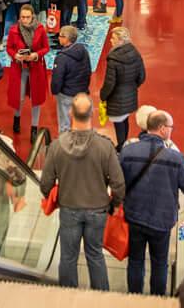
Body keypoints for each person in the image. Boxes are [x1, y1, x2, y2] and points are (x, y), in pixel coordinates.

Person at [40, 93, 126, 290]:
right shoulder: (105, 146)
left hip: (69, 208)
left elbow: (45, 182)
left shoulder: (56, 146)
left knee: (68, 257)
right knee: (95, 255)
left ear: (71, 112)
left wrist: (51, 197)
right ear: (92, 114)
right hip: (98, 210)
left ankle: (68, 297)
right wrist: (114, 205)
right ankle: (101, 297)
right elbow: (119, 184)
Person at [120, 110, 184, 296]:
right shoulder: (175, 157)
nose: (171, 131)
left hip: (134, 216)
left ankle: (134, 298)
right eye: (170, 127)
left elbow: (118, 183)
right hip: (161, 220)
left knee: (135, 261)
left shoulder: (128, 151)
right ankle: (157, 300)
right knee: (160, 263)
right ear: (162, 129)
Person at [7, 4, 50, 141]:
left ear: (33, 17)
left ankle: (34, 128)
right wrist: (15, 56)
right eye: (22, 17)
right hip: (19, 69)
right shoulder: (14, 30)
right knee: (18, 97)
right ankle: (16, 119)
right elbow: (9, 48)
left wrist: (36, 55)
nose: (24, 20)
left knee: (36, 100)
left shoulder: (40, 29)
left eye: (27, 17)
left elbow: (46, 48)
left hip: (36, 69)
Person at [100, 27, 146, 148]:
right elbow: (142, 76)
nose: (110, 41)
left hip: (117, 98)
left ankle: (121, 147)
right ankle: (124, 143)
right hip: (130, 95)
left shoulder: (113, 59)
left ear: (120, 41)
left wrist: (103, 96)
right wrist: (132, 87)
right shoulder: (135, 53)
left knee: (119, 123)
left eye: (113, 38)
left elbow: (109, 83)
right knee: (125, 120)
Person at [50, 26, 91, 133]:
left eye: (60, 36)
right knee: (81, 123)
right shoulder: (84, 51)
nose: (58, 38)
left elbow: (57, 79)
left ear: (66, 38)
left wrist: (55, 91)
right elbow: (88, 70)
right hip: (82, 93)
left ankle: (65, 146)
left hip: (66, 95)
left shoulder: (61, 58)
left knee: (64, 124)